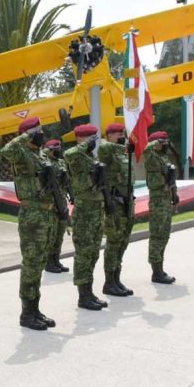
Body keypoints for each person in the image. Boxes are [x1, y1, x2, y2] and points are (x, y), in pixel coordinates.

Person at [0, 117, 59, 330]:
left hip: (46, 214)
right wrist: (25, 134)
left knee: (39, 263)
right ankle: (26, 313)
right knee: (31, 263)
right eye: (38, 131)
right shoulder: (21, 154)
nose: (42, 133)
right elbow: (5, 151)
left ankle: (35, 308)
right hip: (32, 214)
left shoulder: (40, 155)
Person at [63, 124, 106, 311]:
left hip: (97, 208)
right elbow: (69, 154)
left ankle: (89, 291)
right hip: (84, 210)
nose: (93, 143)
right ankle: (83, 295)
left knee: (94, 251)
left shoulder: (90, 157)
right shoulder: (75, 156)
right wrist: (84, 145)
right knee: (83, 253)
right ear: (80, 139)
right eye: (90, 138)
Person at [97, 123, 136, 296]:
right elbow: (103, 149)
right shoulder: (108, 150)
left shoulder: (123, 153)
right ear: (109, 135)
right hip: (115, 203)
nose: (121, 136)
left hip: (127, 202)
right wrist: (122, 145)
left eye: (122, 133)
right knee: (113, 242)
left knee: (123, 241)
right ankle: (108, 282)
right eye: (118, 134)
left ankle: (116, 278)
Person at [144, 131, 179, 284]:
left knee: (164, 235)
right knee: (157, 235)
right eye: (162, 143)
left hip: (166, 199)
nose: (165, 145)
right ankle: (156, 271)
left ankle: (160, 268)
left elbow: (170, 178)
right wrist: (154, 143)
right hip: (157, 200)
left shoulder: (164, 158)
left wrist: (174, 194)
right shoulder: (151, 157)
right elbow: (144, 149)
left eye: (166, 142)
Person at [42, 139, 71, 274]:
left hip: (62, 201)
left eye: (59, 148)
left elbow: (67, 182)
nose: (58, 151)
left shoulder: (61, 162)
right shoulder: (44, 162)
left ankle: (56, 259)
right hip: (51, 202)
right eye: (55, 149)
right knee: (52, 234)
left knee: (60, 232)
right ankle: (49, 262)